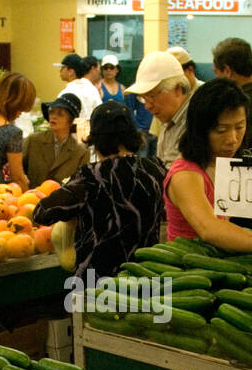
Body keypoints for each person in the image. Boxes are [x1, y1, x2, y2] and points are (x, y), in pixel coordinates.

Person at [163, 78, 252, 258]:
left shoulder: (222, 163)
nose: (233, 138)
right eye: (221, 130)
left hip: (215, 264)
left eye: (239, 126)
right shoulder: (185, 174)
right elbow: (209, 228)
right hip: (186, 269)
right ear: (200, 130)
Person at [34, 101, 166, 280]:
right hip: (146, 277)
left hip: (99, 285)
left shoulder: (91, 175)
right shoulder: (155, 169)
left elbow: (42, 213)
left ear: (96, 139)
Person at [128, 50, 191, 166]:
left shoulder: (193, 125)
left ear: (177, 89)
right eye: (143, 99)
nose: (147, 106)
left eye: (151, 96)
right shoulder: (168, 121)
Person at [24, 93, 89, 188]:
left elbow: (80, 184)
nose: (53, 116)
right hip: (30, 200)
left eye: (60, 114)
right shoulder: (34, 140)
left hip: (63, 201)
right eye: (51, 111)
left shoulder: (81, 152)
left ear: (70, 121)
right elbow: (19, 172)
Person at [54, 53, 102, 120]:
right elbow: (100, 112)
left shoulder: (65, 94)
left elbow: (60, 119)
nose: (60, 71)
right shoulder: (92, 89)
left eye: (62, 68)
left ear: (71, 72)